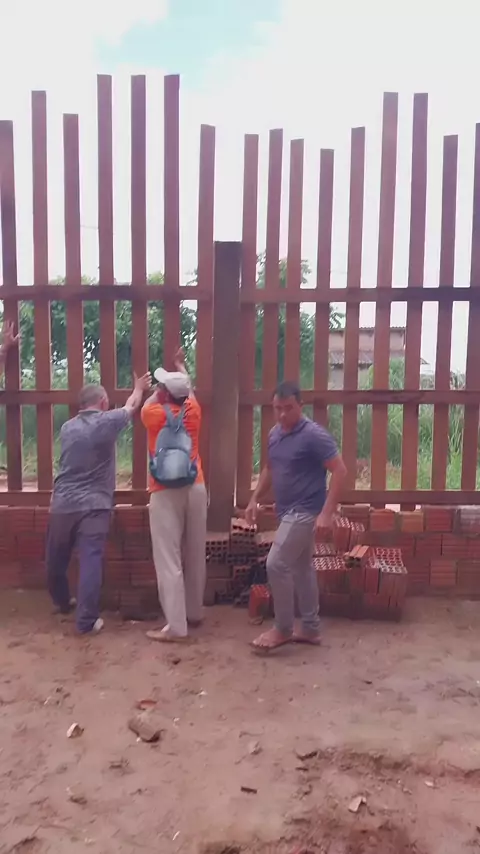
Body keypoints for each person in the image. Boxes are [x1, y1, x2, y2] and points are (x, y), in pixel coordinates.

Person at [245, 380, 347, 653]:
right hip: (285, 511)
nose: (282, 414)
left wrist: (327, 513)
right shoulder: (274, 434)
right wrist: (255, 499)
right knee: (302, 568)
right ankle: (311, 628)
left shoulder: (314, 436)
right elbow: (270, 469)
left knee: (276, 563)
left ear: (300, 406)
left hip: (305, 511)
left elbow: (340, 470)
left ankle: (283, 628)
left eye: (288, 408)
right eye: (277, 408)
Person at [46, 373, 152, 634]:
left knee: (55, 558)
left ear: (81, 405)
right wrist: (139, 387)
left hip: (63, 502)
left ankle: (62, 600)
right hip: (95, 504)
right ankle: (86, 621)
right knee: (90, 560)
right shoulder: (108, 421)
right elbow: (132, 405)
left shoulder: (67, 428)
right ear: (103, 402)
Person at [141, 348, 207, 643]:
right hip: (195, 486)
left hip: (164, 490)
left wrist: (157, 391)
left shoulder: (152, 413)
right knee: (195, 551)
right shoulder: (194, 411)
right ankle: (194, 612)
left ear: (165, 394)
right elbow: (188, 389)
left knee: (168, 558)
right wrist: (180, 366)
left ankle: (176, 627)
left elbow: (150, 401)